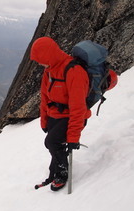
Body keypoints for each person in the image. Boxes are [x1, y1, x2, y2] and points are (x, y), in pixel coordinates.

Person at [30, 37, 91, 191]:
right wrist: (44, 121)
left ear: (48, 55)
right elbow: (44, 98)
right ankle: (54, 172)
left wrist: (73, 137)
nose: (38, 63)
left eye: (40, 59)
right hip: (55, 115)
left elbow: (78, 108)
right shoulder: (49, 70)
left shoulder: (74, 71)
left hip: (72, 117)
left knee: (51, 142)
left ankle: (63, 174)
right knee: (54, 144)